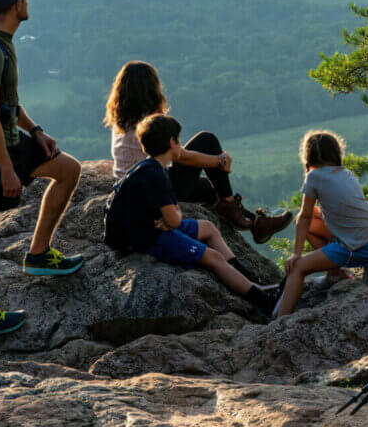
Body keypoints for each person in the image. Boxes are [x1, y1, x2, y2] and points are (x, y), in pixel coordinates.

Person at [0, 0, 84, 338]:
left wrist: (37, 131)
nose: (28, 4)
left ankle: (39, 253)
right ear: (17, 5)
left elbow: (8, 104)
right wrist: (5, 170)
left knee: (68, 169)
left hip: (12, 139)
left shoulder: (1, 43)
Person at [109, 113, 282, 318]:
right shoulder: (157, 175)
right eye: (179, 141)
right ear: (172, 143)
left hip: (150, 225)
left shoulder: (149, 168)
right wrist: (174, 217)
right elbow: (174, 220)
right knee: (213, 257)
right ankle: (263, 300)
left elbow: (170, 212)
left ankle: (251, 280)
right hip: (148, 238)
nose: (181, 146)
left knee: (208, 228)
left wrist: (173, 215)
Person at [105, 60, 292, 243]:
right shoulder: (147, 124)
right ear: (151, 90)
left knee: (208, 189)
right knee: (206, 140)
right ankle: (230, 203)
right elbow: (181, 156)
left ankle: (256, 223)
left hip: (133, 187)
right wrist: (219, 160)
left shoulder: (121, 122)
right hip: (151, 188)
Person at [273, 129, 368, 318]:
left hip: (358, 247)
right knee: (310, 221)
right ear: (336, 152)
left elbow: (304, 217)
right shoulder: (344, 172)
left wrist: (296, 255)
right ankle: (335, 273)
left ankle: (280, 321)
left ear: (308, 157)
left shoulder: (314, 177)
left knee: (299, 267)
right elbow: (311, 217)